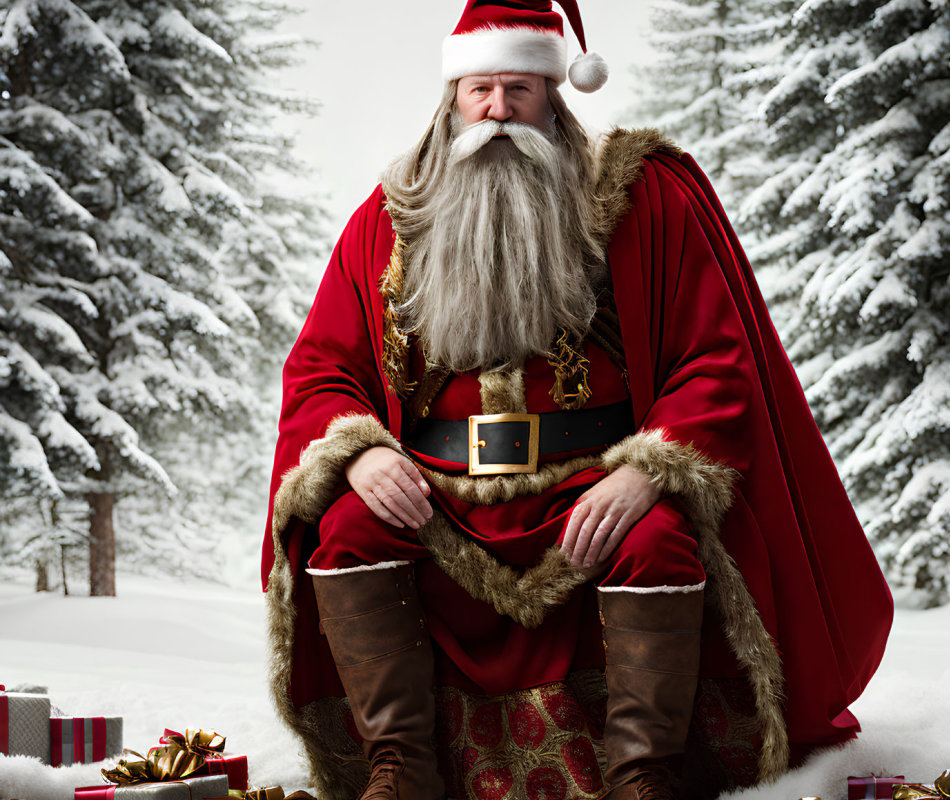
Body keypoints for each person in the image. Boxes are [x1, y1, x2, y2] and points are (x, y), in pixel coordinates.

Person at [263, 2, 894, 799]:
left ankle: (642, 773)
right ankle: (401, 769)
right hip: (436, 492)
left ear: (555, 93)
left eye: (519, 89)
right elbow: (322, 367)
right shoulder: (386, 219)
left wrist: (648, 470)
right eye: (481, 88)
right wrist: (356, 455)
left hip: (589, 481)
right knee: (348, 529)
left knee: (659, 538)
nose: (497, 111)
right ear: (452, 93)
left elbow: (715, 359)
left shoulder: (641, 197)